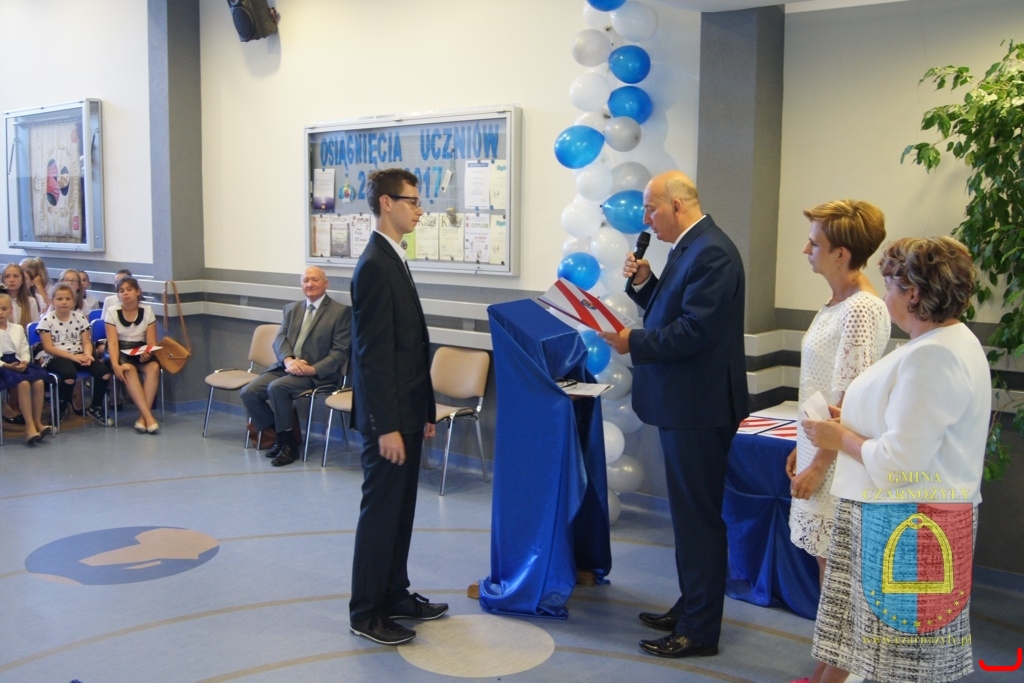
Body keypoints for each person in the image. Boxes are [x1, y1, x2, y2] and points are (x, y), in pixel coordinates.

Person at [801, 236, 990, 683]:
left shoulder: (935, 355)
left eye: (890, 286)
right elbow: (907, 426)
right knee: (868, 650)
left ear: (914, 294)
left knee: (900, 667)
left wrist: (838, 436)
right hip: (901, 520)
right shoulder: (942, 342)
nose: (884, 296)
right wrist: (851, 419)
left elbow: (899, 462)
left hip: (909, 526)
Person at [599, 170, 748, 659]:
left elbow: (695, 332)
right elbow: (675, 308)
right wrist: (646, 285)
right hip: (687, 404)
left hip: (700, 408)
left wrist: (634, 342)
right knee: (687, 518)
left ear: (677, 206)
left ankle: (699, 630)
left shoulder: (713, 252)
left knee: (698, 520)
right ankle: (690, 606)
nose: (646, 219)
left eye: (651, 209)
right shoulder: (692, 247)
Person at [348, 168, 444, 646]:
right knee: (381, 513)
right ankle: (366, 612)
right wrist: (385, 425)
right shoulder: (373, 265)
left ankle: (394, 594)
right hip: (387, 418)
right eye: (412, 201)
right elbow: (372, 356)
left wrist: (424, 410)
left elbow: (411, 345)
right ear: (386, 203)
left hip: (406, 410)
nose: (419, 210)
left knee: (401, 511)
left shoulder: (395, 257)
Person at [239, 266, 351, 467]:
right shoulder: (291, 309)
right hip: (286, 367)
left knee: (277, 388)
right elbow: (279, 340)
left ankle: (288, 446)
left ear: (326, 283)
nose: (310, 284)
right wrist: (288, 360)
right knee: (249, 392)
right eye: (306, 280)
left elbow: (339, 352)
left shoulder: (340, 312)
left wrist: (312, 369)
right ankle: (284, 438)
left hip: (317, 373)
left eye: (315, 280)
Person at [38, 284, 112, 425]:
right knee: (69, 375)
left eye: (67, 299)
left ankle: (95, 406)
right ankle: (61, 408)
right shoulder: (47, 320)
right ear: (52, 301)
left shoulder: (79, 318)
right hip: (56, 357)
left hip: (79, 355)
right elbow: (48, 348)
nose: (64, 302)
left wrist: (88, 355)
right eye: (60, 299)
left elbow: (87, 342)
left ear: (73, 301)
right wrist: (73, 357)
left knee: (104, 373)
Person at [104, 276, 161, 434]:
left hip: (140, 348)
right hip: (120, 349)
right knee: (128, 369)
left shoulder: (147, 311)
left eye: (129, 289)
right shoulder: (112, 312)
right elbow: (112, 342)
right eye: (121, 291)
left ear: (138, 291)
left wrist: (148, 353)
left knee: (154, 367)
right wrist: (115, 365)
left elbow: (151, 341)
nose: (125, 293)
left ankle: (143, 418)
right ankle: (148, 417)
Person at [0, 293, 54, 444]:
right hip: (2, 365)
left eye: (4, 309)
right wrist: (7, 365)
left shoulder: (17, 328)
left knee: (38, 381)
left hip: (17, 362)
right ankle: (29, 427)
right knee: (23, 383)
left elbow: (24, 349)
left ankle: (38, 423)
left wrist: (24, 361)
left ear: (10, 310)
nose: (0, 312)